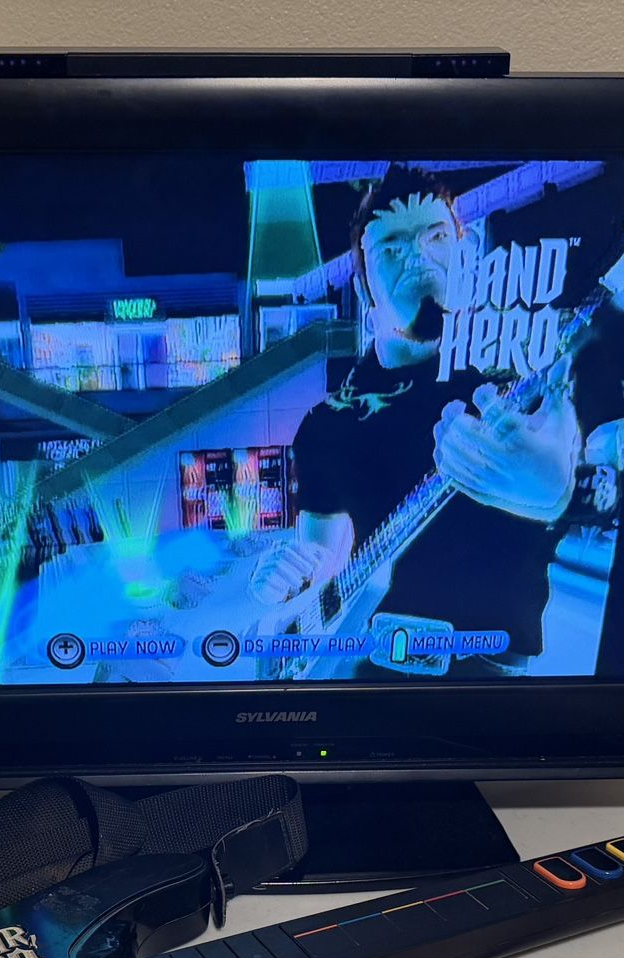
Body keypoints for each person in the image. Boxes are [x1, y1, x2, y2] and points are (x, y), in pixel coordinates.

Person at [249, 166, 583, 677]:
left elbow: (561, 471)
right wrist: (287, 579)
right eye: (392, 249)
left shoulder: (515, 378)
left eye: (437, 238)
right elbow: (322, 557)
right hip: (366, 675)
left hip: (487, 680)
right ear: (364, 286)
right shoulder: (327, 423)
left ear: (465, 253)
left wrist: (550, 490)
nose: (420, 258)